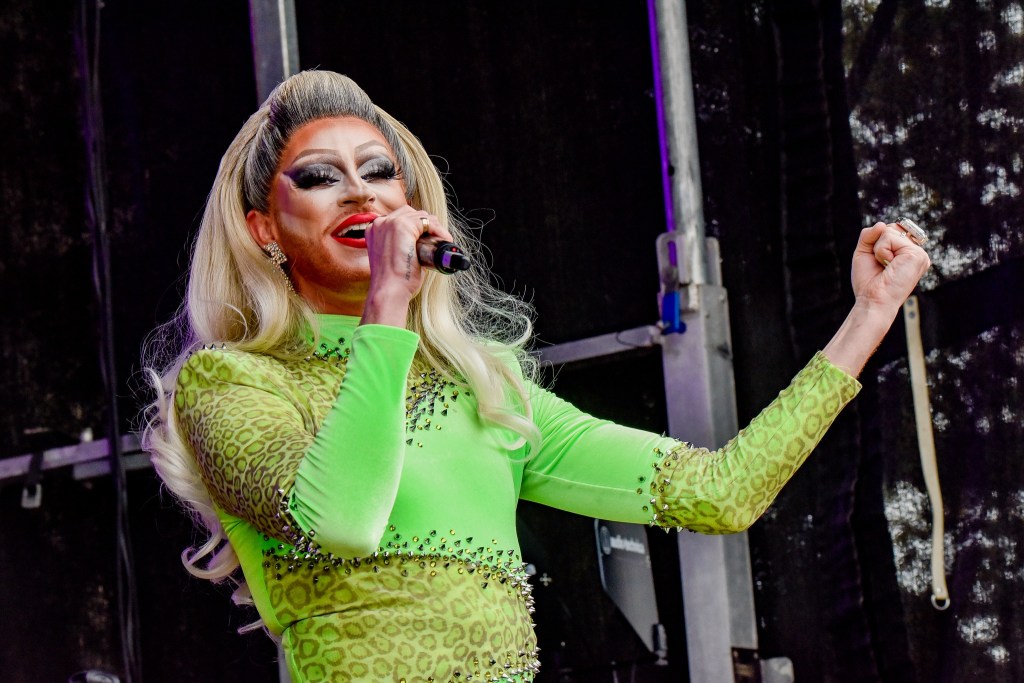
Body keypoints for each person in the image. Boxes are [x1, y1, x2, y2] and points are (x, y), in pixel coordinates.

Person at [142, 70, 930, 683]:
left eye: (379, 171)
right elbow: (341, 519)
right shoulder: (230, 382)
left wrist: (869, 315)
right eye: (318, 177)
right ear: (263, 229)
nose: (359, 191)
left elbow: (722, 491)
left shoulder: (483, 390)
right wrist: (386, 305)